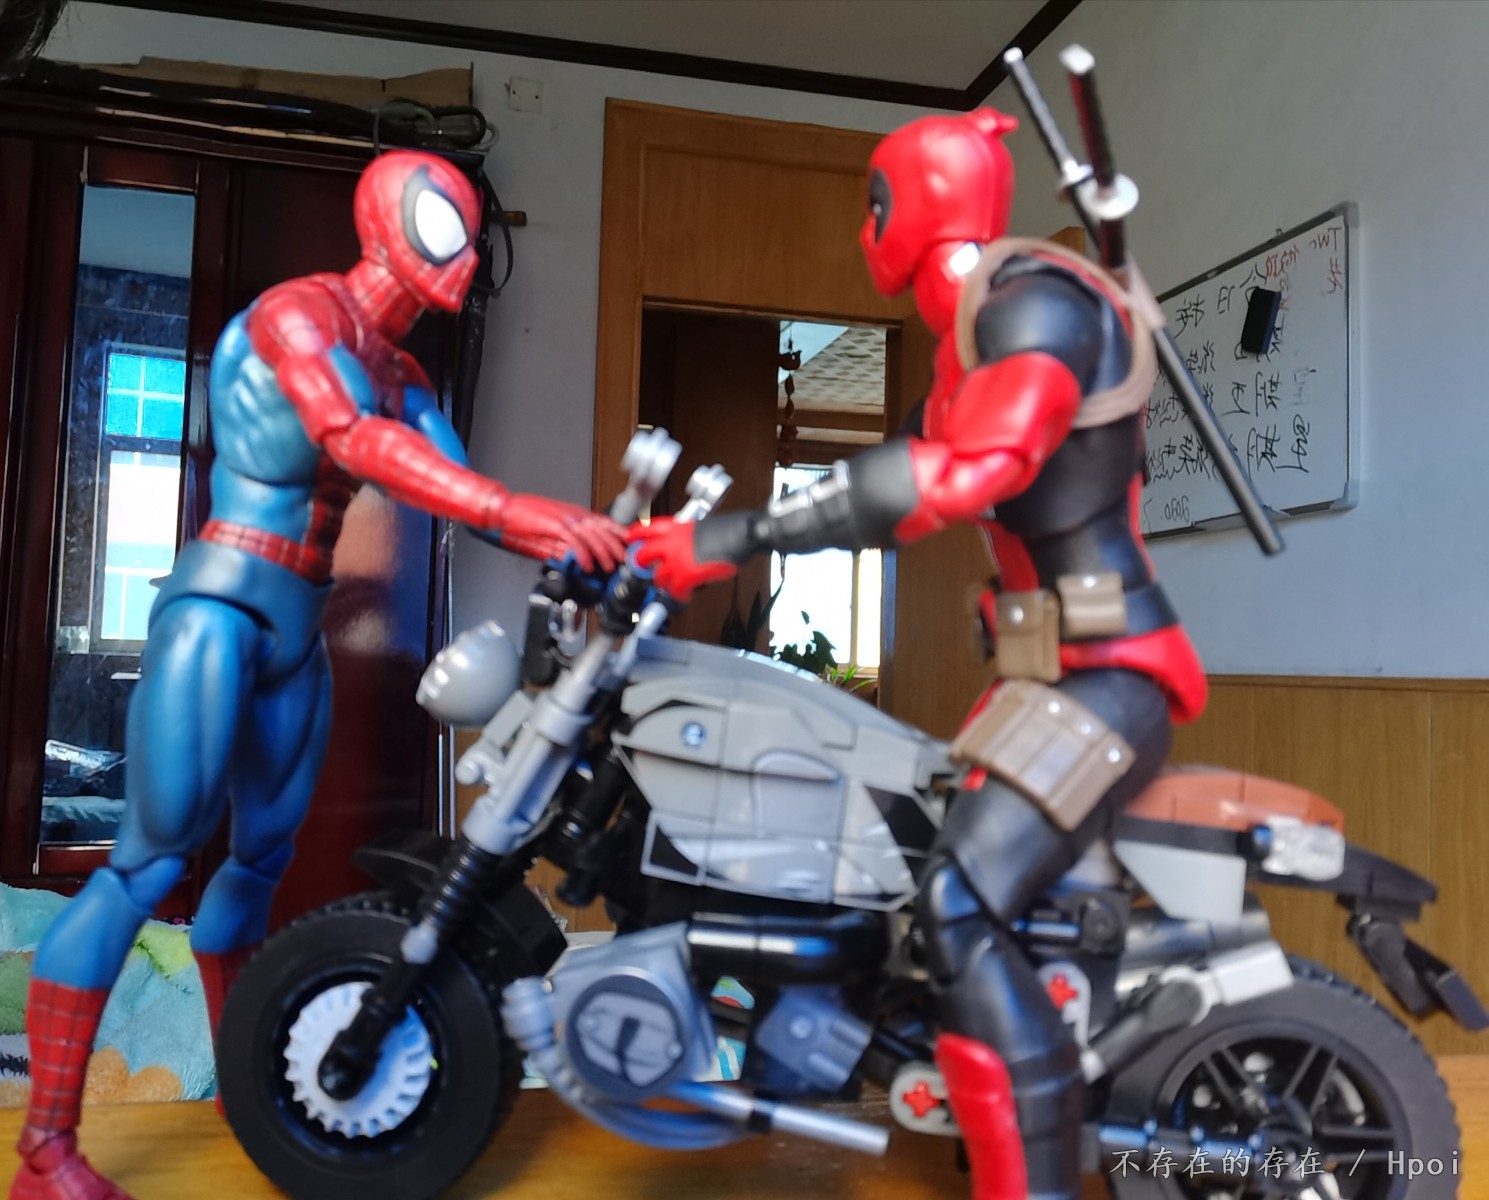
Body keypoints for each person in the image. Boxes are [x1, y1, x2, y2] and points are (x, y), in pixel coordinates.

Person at [13, 149, 625, 1200]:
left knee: (258, 866)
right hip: (219, 608)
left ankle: (238, 1090)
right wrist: (525, 516)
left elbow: (458, 486)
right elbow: (358, 442)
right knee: (145, 866)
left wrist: (606, 539)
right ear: (391, 222)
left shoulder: (407, 374)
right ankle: (44, 1147)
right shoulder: (298, 316)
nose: (461, 254)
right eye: (443, 226)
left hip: (299, 629)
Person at [630, 110, 1207, 1200]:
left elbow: (968, 472)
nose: (865, 230)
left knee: (956, 905)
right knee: (891, 861)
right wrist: (705, 546)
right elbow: (882, 492)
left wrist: (726, 541)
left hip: (1104, 679)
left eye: (871, 204)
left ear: (898, 209)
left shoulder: (1034, 303)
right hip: (1037, 682)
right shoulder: (967, 345)